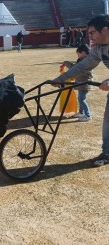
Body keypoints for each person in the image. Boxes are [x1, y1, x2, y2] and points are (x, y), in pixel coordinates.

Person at [52, 15, 109, 167]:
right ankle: (107, 153)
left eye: (92, 33)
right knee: (108, 122)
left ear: (104, 30)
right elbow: (82, 66)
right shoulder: (99, 48)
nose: (89, 37)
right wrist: (61, 78)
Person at [63, 44, 93, 122]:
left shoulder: (86, 61)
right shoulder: (83, 60)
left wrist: (66, 63)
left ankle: (88, 115)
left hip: (85, 84)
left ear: (83, 52)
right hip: (81, 84)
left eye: (78, 54)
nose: (77, 56)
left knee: (81, 99)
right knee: (81, 99)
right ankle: (81, 112)